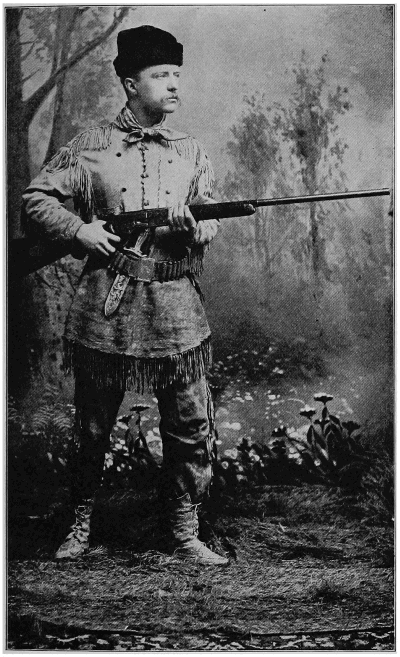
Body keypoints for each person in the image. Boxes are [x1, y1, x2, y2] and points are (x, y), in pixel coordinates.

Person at [22, 25, 228, 566]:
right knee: (92, 425)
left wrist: (197, 226)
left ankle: (185, 531)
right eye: (161, 75)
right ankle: (79, 523)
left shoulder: (191, 150)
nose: (174, 85)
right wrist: (80, 231)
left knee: (189, 422)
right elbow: (36, 200)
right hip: (106, 308)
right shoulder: (89, 147)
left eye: (177, 74)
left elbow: (209, 212)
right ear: (131, 84)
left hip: (175, 306)